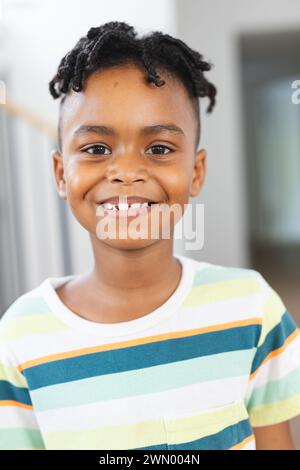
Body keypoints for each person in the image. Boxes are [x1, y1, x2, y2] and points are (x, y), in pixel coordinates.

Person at [0, 21, 300, 450]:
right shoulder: (19, 339)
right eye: (96, 149)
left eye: (158, 149)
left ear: (195, 172)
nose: (126, 172)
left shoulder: (253, 310)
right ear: (60, 173)